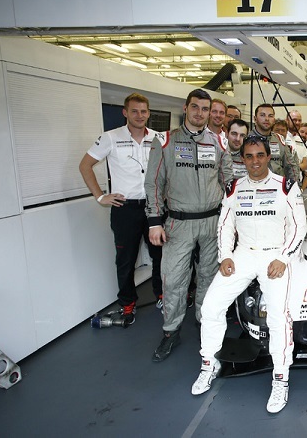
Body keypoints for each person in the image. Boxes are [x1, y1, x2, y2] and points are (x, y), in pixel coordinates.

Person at [191, 136, 306, 414]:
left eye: (260, 155)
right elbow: (225, 224)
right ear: (242, 159)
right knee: (211, 307)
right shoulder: (233, 187)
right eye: (249, 156)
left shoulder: (286, 186)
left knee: (278, 316)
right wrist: (225, 256)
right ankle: (209, 364)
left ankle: (281, 378)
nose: (255, 161)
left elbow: (299, 227)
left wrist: (283, 258)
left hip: (275, 255)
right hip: (242, 253)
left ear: (269, 157)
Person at [144, 88, 233, 362]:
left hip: (211, 222)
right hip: (177, 224)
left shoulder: (218, 142)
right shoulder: (166, 141)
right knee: (173, 279)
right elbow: (153, 184)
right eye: (195, 107)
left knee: (209, 277)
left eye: (205, 109)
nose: (200, 113)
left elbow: (227, 179)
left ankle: (205, 323)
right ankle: (171, 332)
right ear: (186, 108)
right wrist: (154, 222)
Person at [79, 92, 162, 324]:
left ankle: (162, 295)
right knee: (125, 259)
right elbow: (85, 165)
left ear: (148, 113)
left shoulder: (158, 138)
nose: (139, 115)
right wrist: (100, 197)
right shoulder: (110, 137)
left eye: (143, 111)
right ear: (125, 113)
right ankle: (127, 304)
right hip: (125, 208)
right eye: (134, 111)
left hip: (154, 208)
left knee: (161, 256)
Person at [249, 104, 300, 182]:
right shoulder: (246, 140)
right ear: (255, 119)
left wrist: (295, 187)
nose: (266, 119)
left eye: (270, 116)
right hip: (253, 186)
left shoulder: (279, 139)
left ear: (274, 119)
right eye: (262, 115)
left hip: (277, 187)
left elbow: (291, 166)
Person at [293, 122, 307, 189]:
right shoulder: (288, 143)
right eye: (302, 132)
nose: (304, 135)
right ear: (296, 132)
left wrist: (301, 190)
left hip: (297, 184)